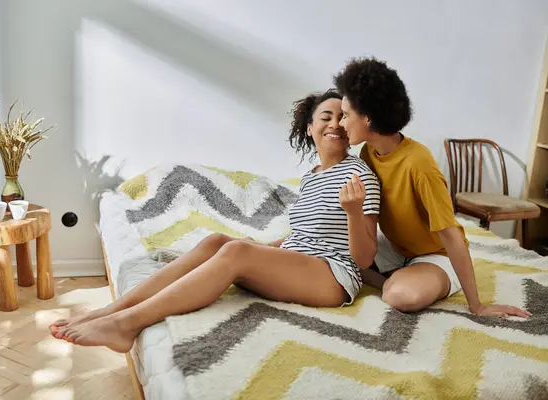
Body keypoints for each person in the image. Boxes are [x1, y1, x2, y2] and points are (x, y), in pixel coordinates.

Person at [49, 89, 382, 353]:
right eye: (327, 116)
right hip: (302, 262)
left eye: (344, 117)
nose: (336, 123)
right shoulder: (311, 178)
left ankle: (126, 325)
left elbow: (364, 257)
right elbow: (305, 235)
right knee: (216, 242)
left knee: (237, 253)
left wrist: (354, 212)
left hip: (333, 277)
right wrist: (266, 248)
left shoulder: (358, 173)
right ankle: (110, 312)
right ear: (310, 129)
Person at [333, 57, 531, 318]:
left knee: (398, 295)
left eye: (346, 115)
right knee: (332, 254)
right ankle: (397, 275)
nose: (341, 124)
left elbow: (451, 234)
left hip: (435, 254)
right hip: (395, 248)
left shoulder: (419, 163)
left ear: (367, 118)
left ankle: (398, 280)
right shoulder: (367, 154)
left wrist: (478, 306)